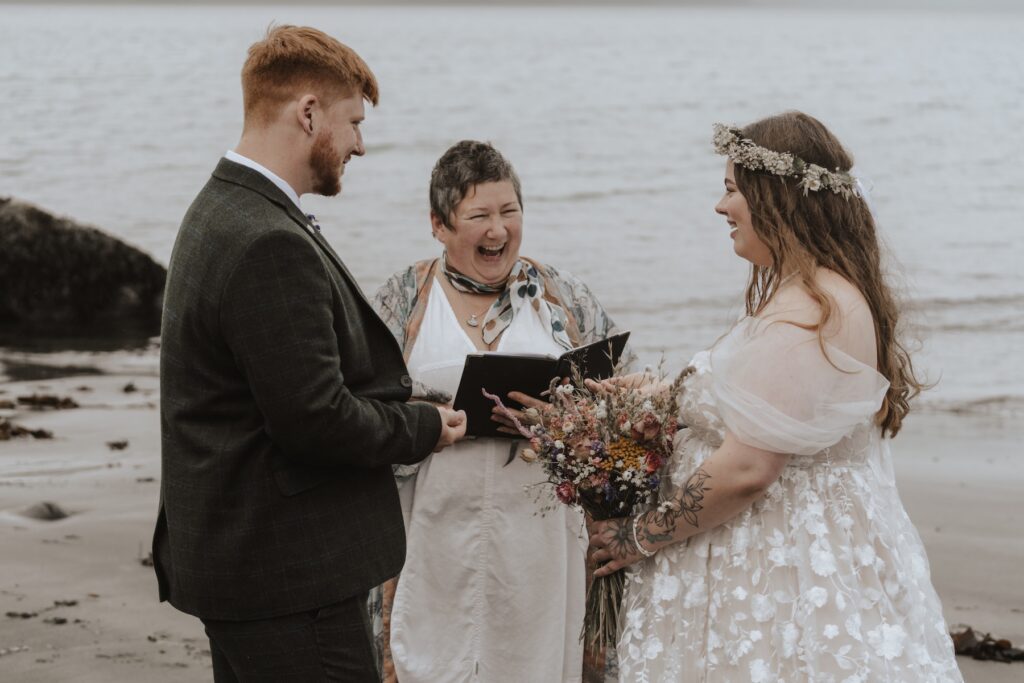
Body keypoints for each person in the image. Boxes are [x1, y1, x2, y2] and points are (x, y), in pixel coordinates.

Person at [587, 112, 963, 682]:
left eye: (732, 190)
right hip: (773, 550)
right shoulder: (815, 293)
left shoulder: (809, 312)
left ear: (777, 198)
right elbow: (763, 407)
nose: (721, 208)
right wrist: (663, 398)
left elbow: (748, 468)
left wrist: (638, 537)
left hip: (772, 567)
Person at [153, 25, 466, 682]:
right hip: (286, 575)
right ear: (307, 111)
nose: (360, 143)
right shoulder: (268, 241)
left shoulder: (219, 207)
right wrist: (425, 426)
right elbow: (314, 420)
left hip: (242, 564)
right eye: (352, 121)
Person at [369, 140, 636, 682]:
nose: (498, 230)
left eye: (509, 212)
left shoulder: (561, 297)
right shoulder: (404, 299)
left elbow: (623, 396)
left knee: (533, 661)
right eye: (479, 216)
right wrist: (425, 418)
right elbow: (362, 408)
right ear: (439, 225)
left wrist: (570, 421)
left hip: (540, 540)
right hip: (430, 530)